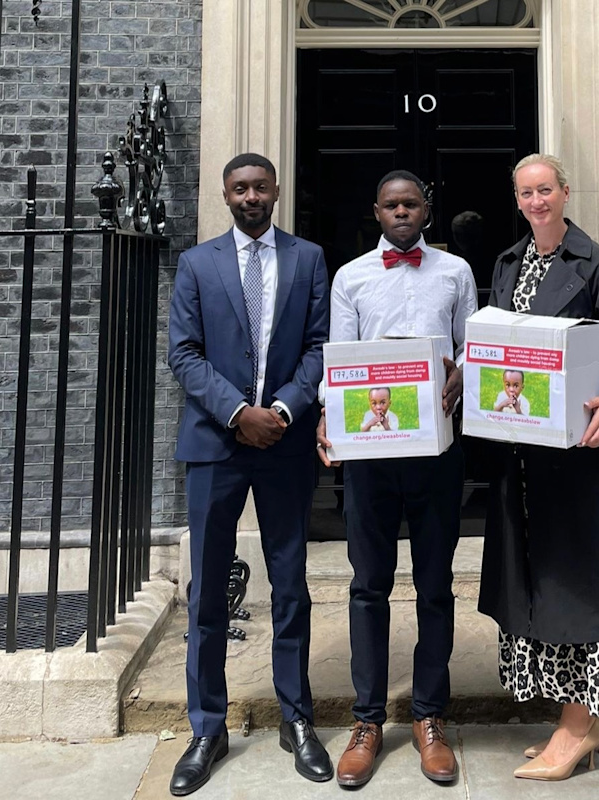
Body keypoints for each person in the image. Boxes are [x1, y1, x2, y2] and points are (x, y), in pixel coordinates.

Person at [478, 153, 599, 781]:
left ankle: (579, 727)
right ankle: (580, 719)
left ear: (565, 192)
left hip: (581, 459)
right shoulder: (505, 264)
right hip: (522, 458)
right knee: (542, 585)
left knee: (585, 588)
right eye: (525, 193)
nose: (535, 202)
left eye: (545, 190)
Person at [168, 153, 333, 795]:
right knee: (208, 592)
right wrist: (239, 413)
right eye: (240, 188)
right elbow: (183, 352)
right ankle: (207, 726)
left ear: (275, 191)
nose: (251, 196)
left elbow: (321, 345)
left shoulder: (309, 258)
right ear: (226, 195)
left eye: (260, 186)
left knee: (291, 584)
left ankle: (297, 718)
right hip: (216, 445)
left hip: (285, 445)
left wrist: (285, 409)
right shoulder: (196, 263)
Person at [317, 170, 478, 787]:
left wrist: (463, 372)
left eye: (411, 203)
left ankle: (430, 716)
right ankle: (367, 720)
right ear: (376, 211)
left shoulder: (455, 272)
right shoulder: (351, 276)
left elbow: (471, 349)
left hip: (437, 451)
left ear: (427, 211)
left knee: (436, 584)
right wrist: (327, 419)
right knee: (368, 585)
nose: (402, 211)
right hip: (370, 456)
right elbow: (339, 357)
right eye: (391, 204)